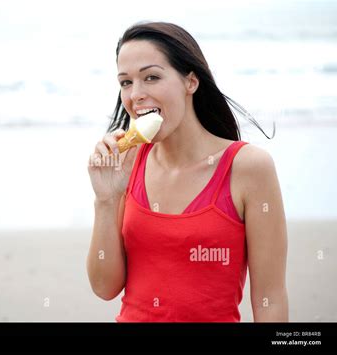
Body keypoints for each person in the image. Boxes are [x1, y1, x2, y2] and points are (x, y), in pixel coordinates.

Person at [86, 22, 288, 322]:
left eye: (151, 77)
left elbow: (269, 299)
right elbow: (104, 287)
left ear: (190, 82)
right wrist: (106, 199)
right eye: (126, 82)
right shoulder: (127, 163)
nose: (136, 94)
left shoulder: (248, 168)